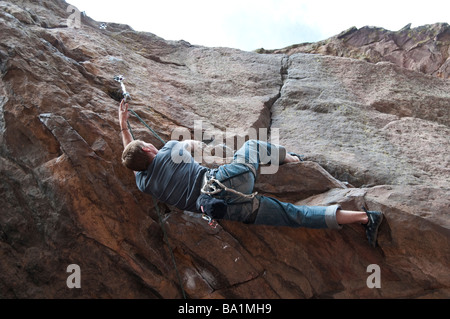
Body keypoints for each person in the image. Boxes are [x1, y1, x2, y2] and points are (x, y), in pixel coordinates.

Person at [118, 100, 383, 247]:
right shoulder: (168, 151)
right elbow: (186, 144)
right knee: (253, 145)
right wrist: (124, 125)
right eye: (148, 145)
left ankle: (365, 218)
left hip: (223, 209)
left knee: (296, 215)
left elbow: (132, 155)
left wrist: (124, 129)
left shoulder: (143, 183)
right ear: (151, 151)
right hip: (226, 181)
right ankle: (292, 158)